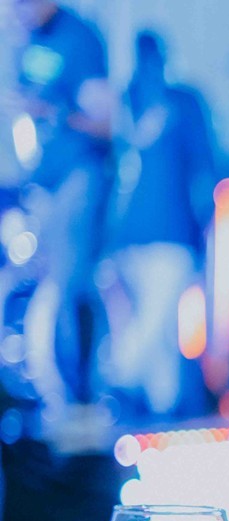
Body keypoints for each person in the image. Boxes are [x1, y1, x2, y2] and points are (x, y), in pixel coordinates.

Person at [104, 30, 215, 418]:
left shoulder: (131, 102)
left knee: (161, 329)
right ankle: (119, 379)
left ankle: (158, 414)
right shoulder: (175, 102)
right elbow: (205, 173)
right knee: (155, 325)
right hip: (163, 236)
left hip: (140, 236)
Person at [11, 0, 111, 415]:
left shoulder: (79, 38)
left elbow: (104, 119)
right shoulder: (31, 40)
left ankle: (82, 391)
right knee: (47, 284)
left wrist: (49, 110)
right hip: (44, 182)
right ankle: (58, 390)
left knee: (72, 284)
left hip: (78, 175)